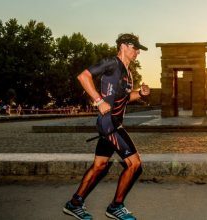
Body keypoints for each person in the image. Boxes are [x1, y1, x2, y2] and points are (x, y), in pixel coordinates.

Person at [63, 33, 150, 220]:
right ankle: (115, 206)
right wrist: (98, 100)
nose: (137, 53)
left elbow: (125, 98)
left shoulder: (128, 74)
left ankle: (74, 203)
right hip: (109, 123)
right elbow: (83, 76)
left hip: (113, 123)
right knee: (135, 164)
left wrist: (140, 94)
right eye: (135, 48)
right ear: (124, 46)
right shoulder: (111, 63)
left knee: (99, 165)